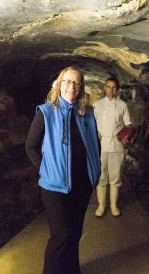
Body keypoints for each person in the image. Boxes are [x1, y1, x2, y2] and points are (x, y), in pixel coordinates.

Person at [25, 66, 101, 274]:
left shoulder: (87, 113)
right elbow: (30, 146)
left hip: (82, 183)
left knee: (75, 232)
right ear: (59, 84)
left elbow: (94, 143)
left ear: (81, 87)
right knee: (61, 235)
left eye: (76, 82)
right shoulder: (46, 112)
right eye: (67, 81)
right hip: (54, 185)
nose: (71, 86)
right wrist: (46, 170)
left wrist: (95, 169)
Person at [93, 77, 132, 217]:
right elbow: (92, 127)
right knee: (101, 177)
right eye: (108, 87)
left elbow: (128, 125)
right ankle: (101, 206)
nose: (111, 90)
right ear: (105, 87)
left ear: (117, 89)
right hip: (101, 145)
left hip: (117, 145)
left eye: (114, 87)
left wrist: (126, 136)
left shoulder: (122, 105)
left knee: (115, 177)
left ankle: (114, 205)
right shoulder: (97, 105)